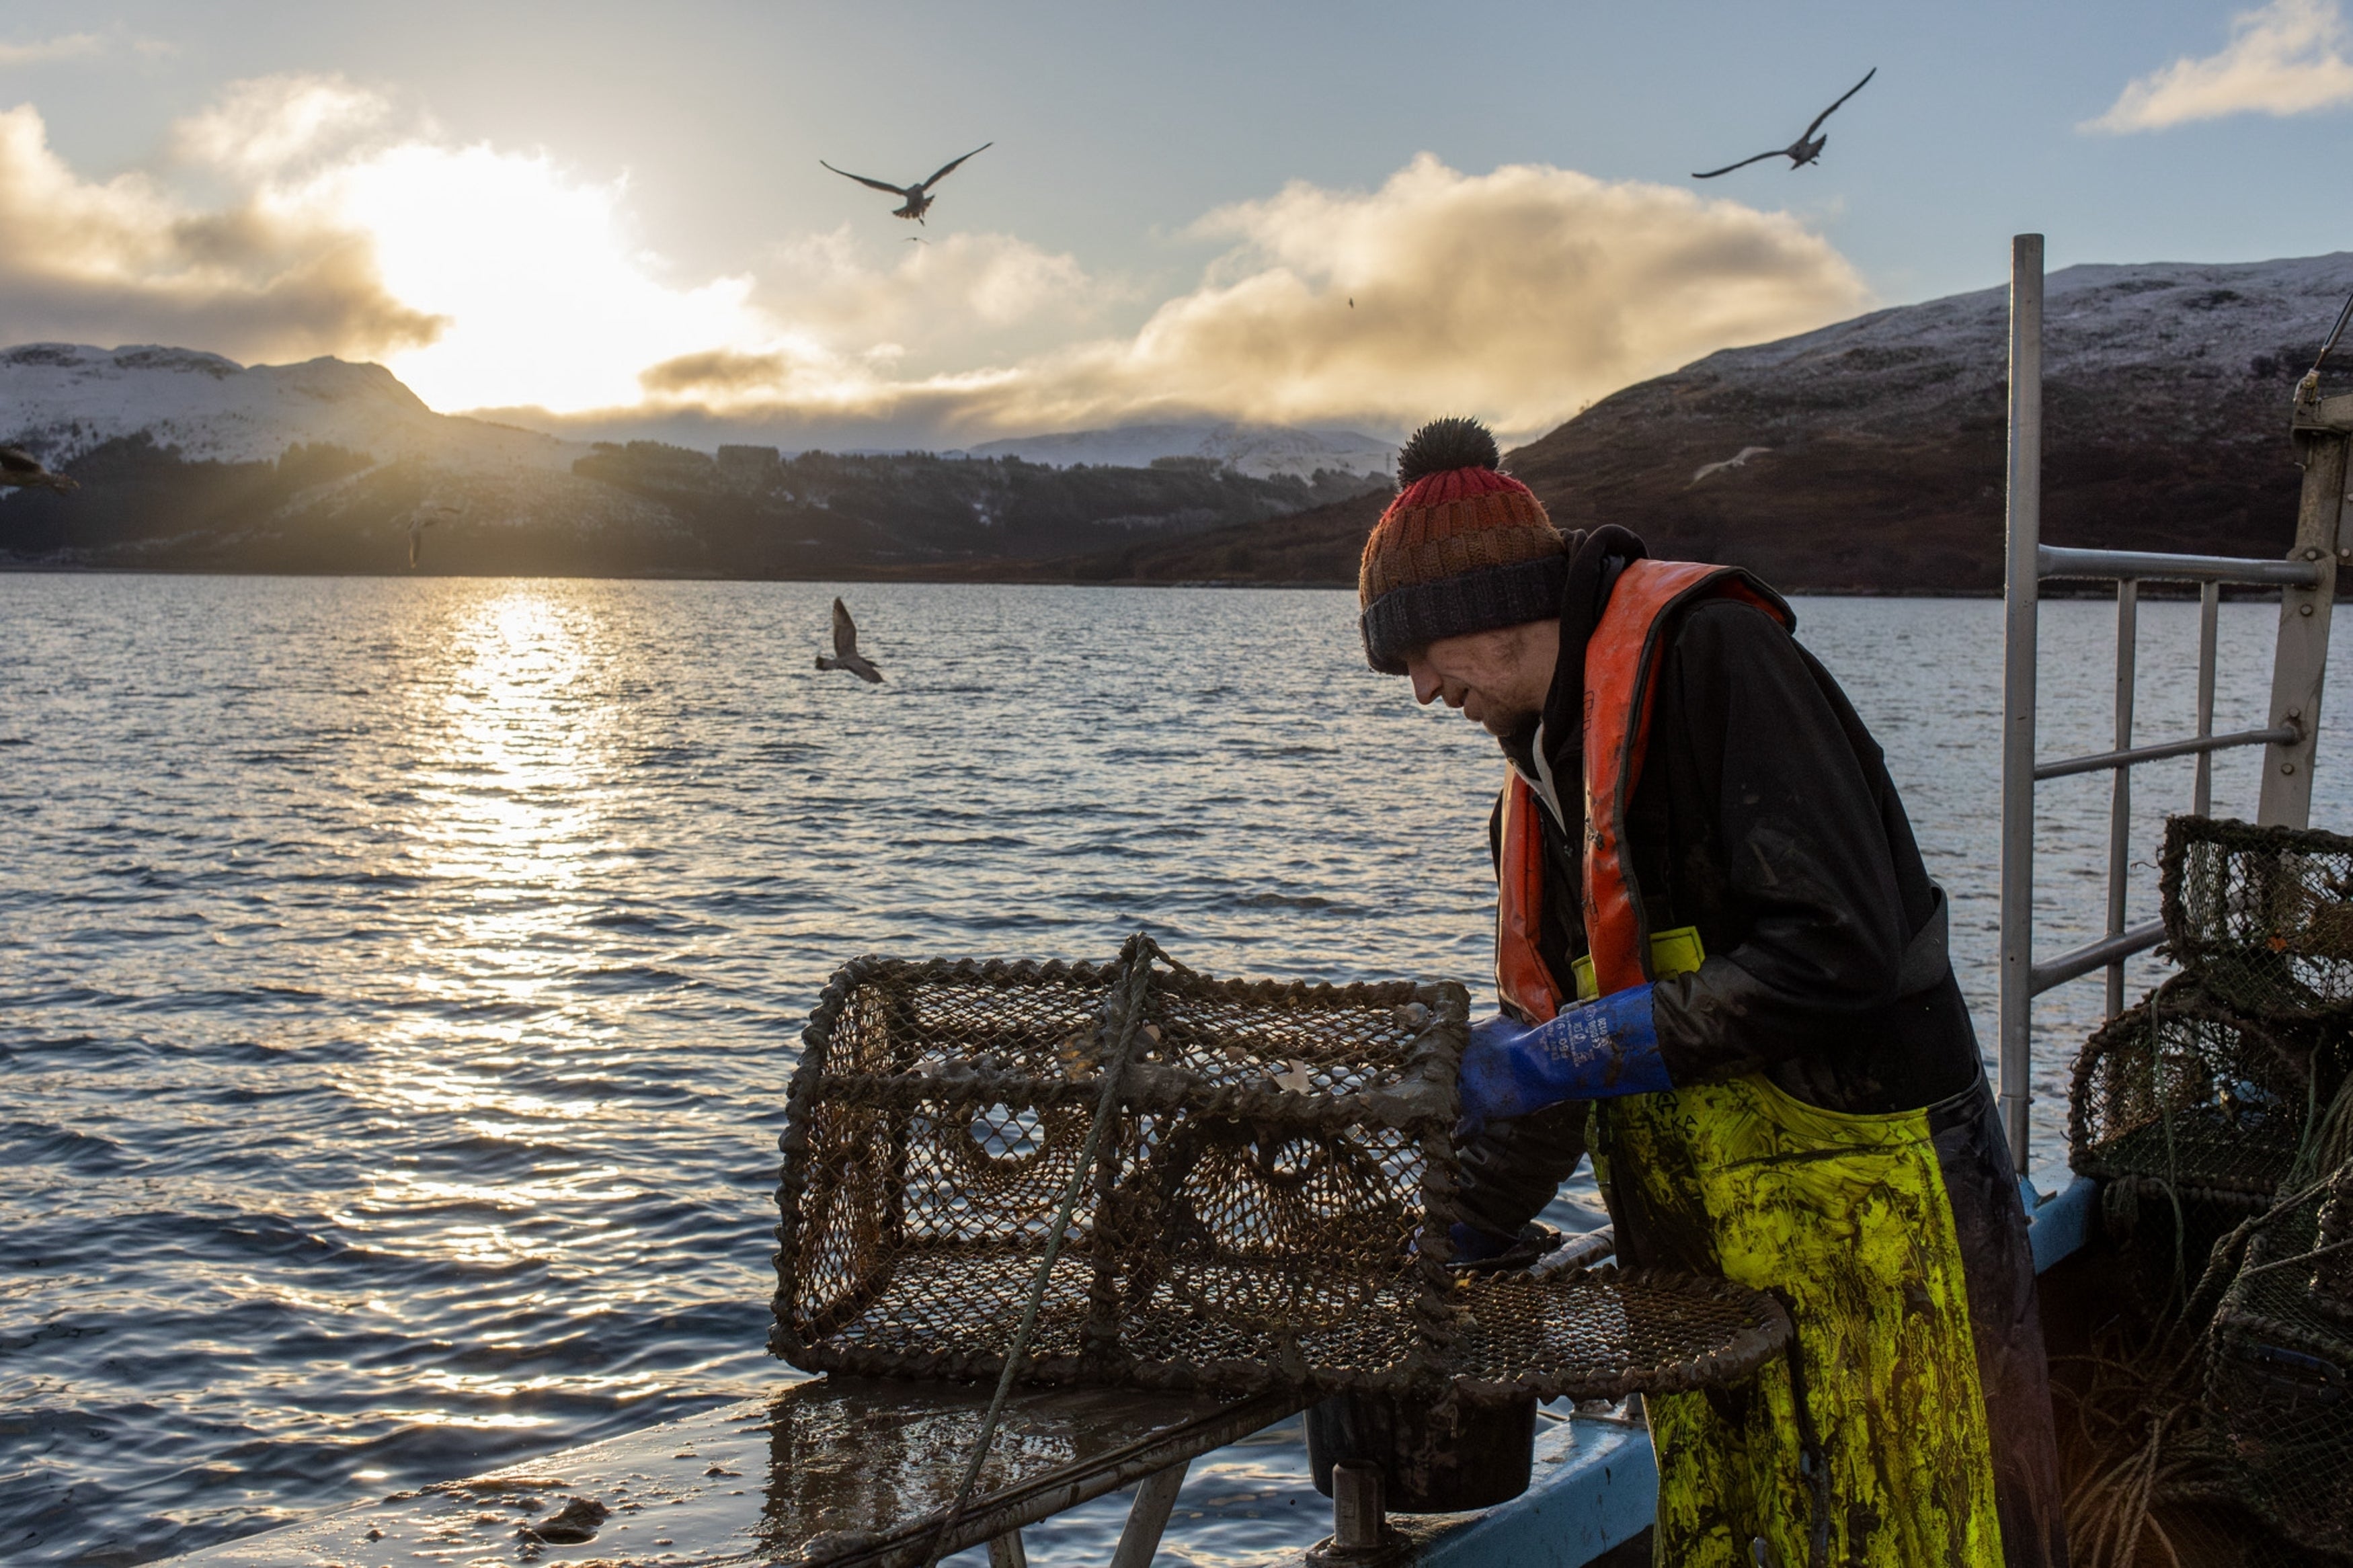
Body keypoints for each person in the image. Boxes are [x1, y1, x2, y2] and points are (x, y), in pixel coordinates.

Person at [1359, 416, 2066, 1567]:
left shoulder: (1716, 661)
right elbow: (1547, 1047)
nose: (1427, 692)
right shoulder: (1528, 797)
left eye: (1426, 656)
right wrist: (1458, 1235)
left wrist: (1584, 1048)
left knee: (1941, 1522)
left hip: (1886, 1207)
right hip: (1704, 1264)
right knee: (1747, 1535)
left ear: (1495, 603)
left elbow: (1844, 950)